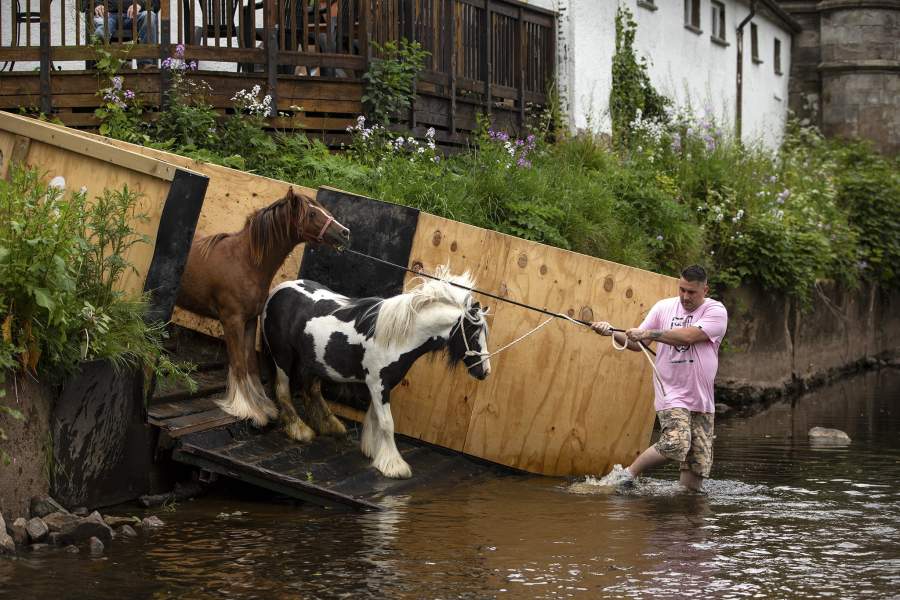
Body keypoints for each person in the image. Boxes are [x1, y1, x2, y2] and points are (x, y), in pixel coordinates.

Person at [590, 264, 728, 492]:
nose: (685, 296)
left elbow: (688, 336)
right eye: (682, 289)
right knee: (676, 443)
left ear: (705, 290)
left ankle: (682, 523)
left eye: (691, 292)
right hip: (671, 393)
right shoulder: (663, 308)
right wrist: (610, 331)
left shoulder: (715, 311)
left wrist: (648, 333)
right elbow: (636, 344)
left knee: (694, 481)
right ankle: (624, 476)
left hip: (703, 401)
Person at [86, 0, 159, 68]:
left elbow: (156, 3)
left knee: (149, 16)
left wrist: (140, 4)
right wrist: (97, 4)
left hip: (137, 14)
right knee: (100, 33)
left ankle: (145, 64)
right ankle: (100, 67)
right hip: (108, 15)